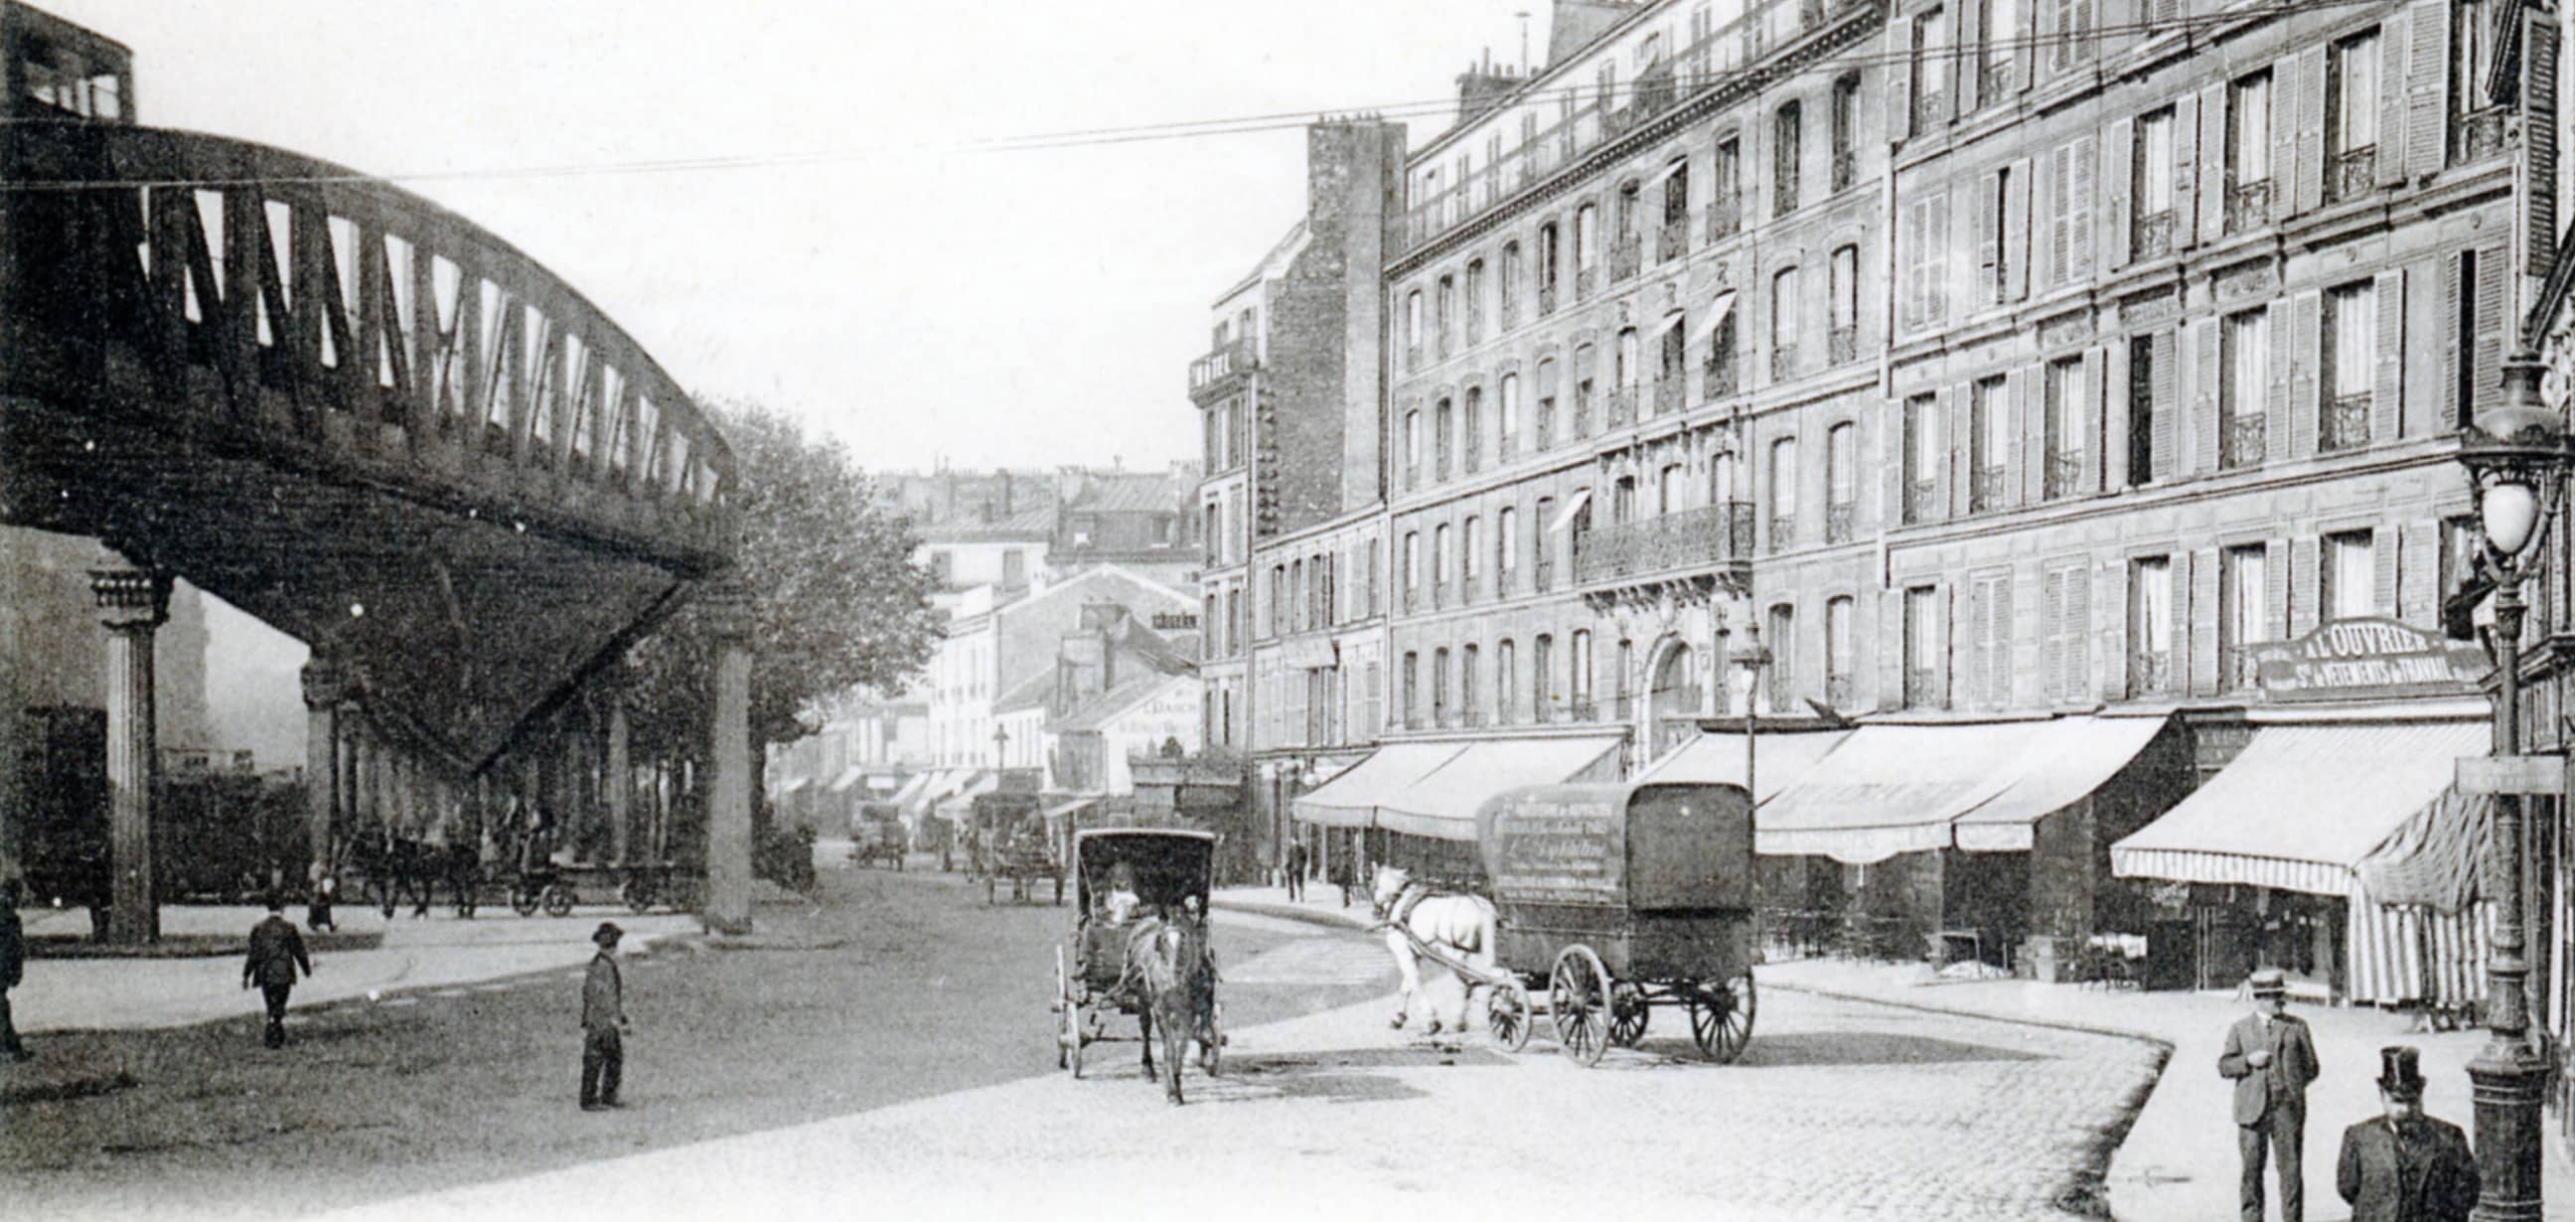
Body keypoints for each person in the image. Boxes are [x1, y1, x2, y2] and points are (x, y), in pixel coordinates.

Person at [2220, 968, 2322, 1222]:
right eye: (2275, 997)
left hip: (2287, 1110)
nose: (2280, 1002)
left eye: (2281, 996)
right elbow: (2224, 1066)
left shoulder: (2297, 1027)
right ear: (2260, 999)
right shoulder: (2240, 1029)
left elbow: (2311, 1067)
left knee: (2291, 1173)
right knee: (2251, 1172)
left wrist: (2291, 1086)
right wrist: (2247, 1061)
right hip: (2251, 1112)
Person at [2337, 1045, 2479, 1222]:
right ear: (2382, 1095)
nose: (2405, 1109)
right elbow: (2348, 1189)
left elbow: (2468, 1191)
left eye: (2413, 1101)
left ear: (2422, 1095)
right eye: (2397, 1101)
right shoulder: (2359, 1137)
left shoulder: (2449, 1137)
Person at [242, 895, 313, 1049]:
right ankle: (276, 1030)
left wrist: (246, 974)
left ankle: (272, 1029)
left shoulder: (259, 928)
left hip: (265, 972)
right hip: (284, 971)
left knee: (270, 1002)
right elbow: (299, 951)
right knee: (280, 1003)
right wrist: (306, 969)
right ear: (283, 908)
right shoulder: (289, 928)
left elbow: (254, 953)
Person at [579, 921, 628, 1111]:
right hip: (602, 1021)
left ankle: (604, 1096)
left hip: (597, 1019)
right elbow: (607, 996)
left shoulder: (598, 964)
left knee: (607, 1057)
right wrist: (617, 1019)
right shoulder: (604, 966)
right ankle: (592, 1099)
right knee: (602, 1059)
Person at [1, 879, 30, 1061]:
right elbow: (13, 948)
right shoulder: (8, 918)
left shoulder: (10, 916)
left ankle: (12, 1047)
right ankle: (10, 1048)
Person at [306, 857, 337, 932]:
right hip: (320, 888)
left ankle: (315, 923)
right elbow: (326, 875)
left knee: (316, 905)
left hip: (316, 889)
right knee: (323, 906)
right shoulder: (321, 867)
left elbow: (310, 878)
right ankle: (327, 924)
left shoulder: (313, 867)